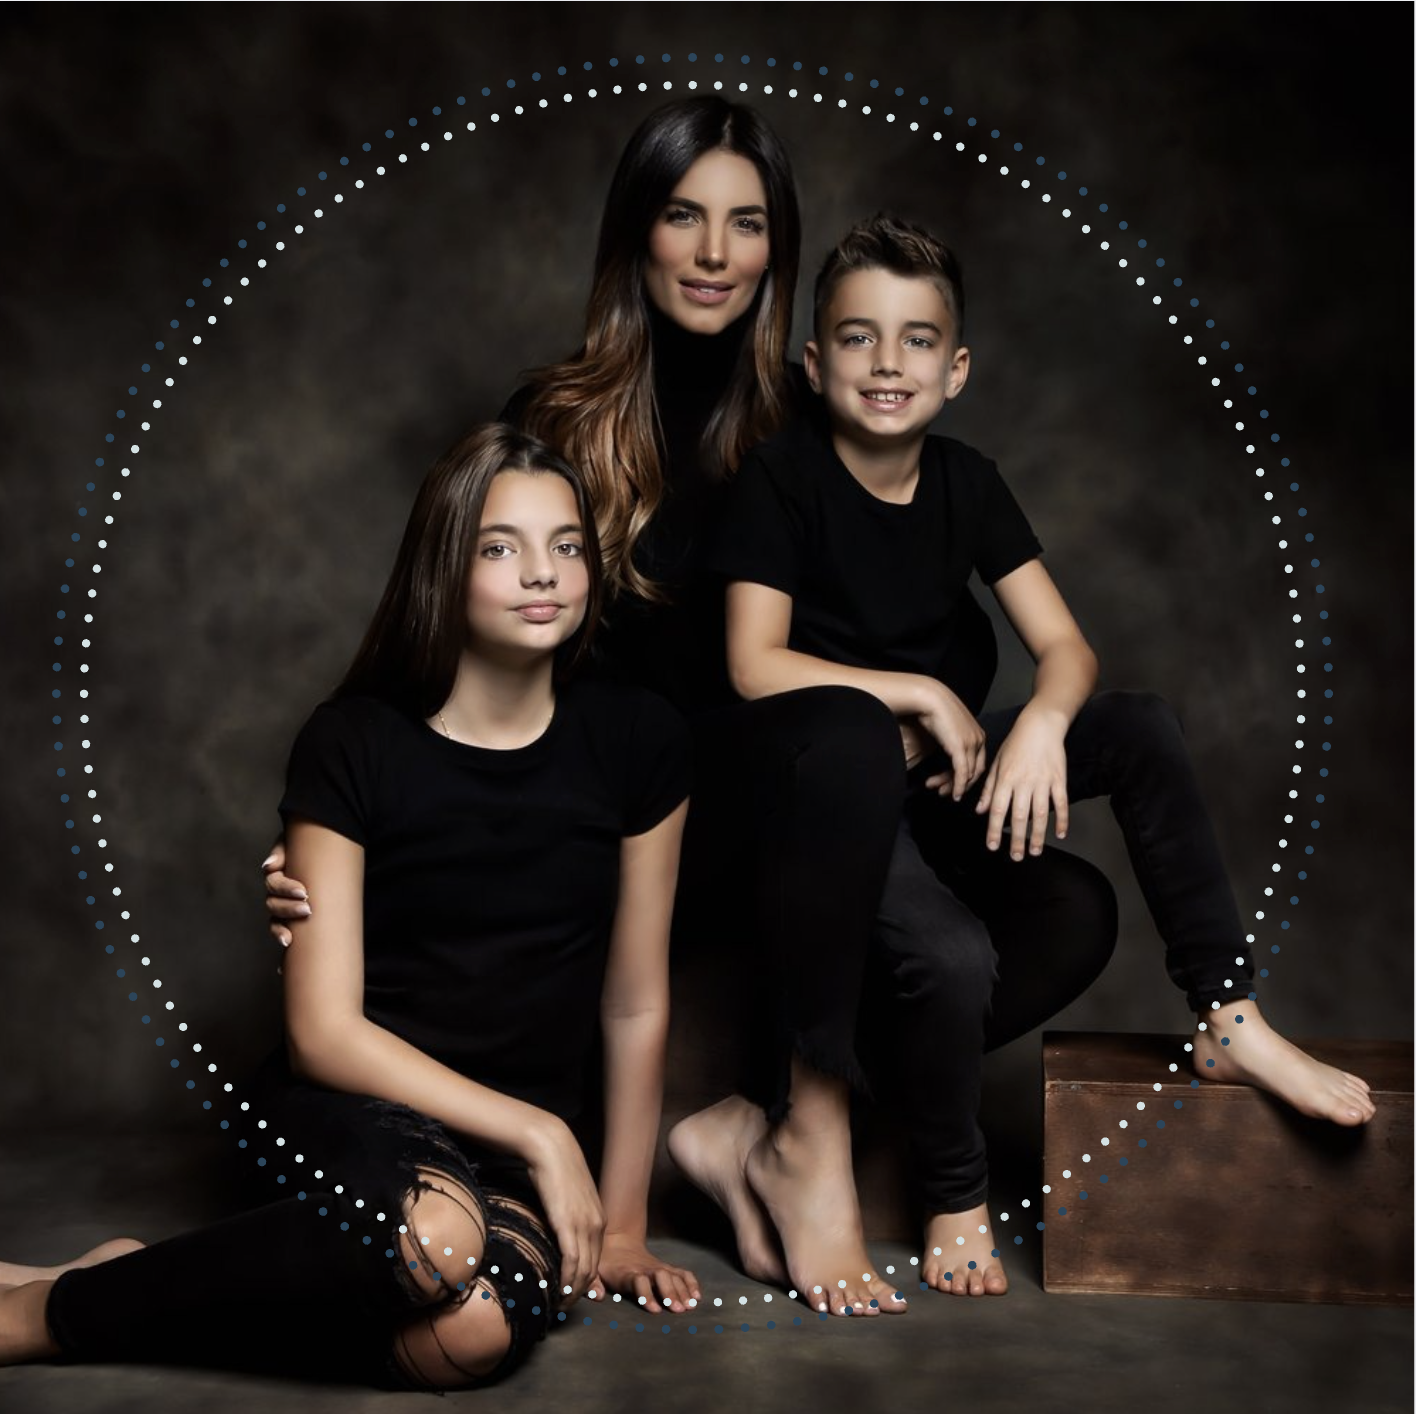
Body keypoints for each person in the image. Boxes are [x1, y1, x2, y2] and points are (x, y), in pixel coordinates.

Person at [264, 97, 1119, 1318]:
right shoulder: (555, 415)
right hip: (644, 826)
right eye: (684, 215)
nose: (715, 252)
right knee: (825, 737)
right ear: (638, 233)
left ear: (780, 249)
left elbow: (927, 619)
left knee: (1067, 906)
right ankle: (803, 1146)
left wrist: (1011, 714)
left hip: (830, 810)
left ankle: (772, 1126)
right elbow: (459, 616)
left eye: (749, 224)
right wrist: (327, 827)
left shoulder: (823, 413)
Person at [709, 212, 1378, 1297]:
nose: (889, 363)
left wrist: (1042, 724)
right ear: (814, 358)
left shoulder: (968, 483)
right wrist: (916, 688)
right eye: (860, 337)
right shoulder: (782, 481)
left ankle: (1229, 1014)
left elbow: (1065, 646)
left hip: (943, 793)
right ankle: (950, 1184)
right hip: (834, 827)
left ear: (957, 367)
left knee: (1140, 729)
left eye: (917, 339)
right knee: (958, 956)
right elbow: (751, 663)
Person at [0, 425, 700, 1387]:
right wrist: (543, 1132)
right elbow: (323, 1035)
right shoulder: (354, 742)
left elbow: (634, 1001)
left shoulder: (641, 739)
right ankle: (51, 1313)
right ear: (444, 564)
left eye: (566, 545)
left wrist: (621, 1226)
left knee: (473, 1334)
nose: (543, 574)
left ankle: (142, 1281)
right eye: (500, 547)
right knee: (436, 1237)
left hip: (515, 1170)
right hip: (352, 1113)